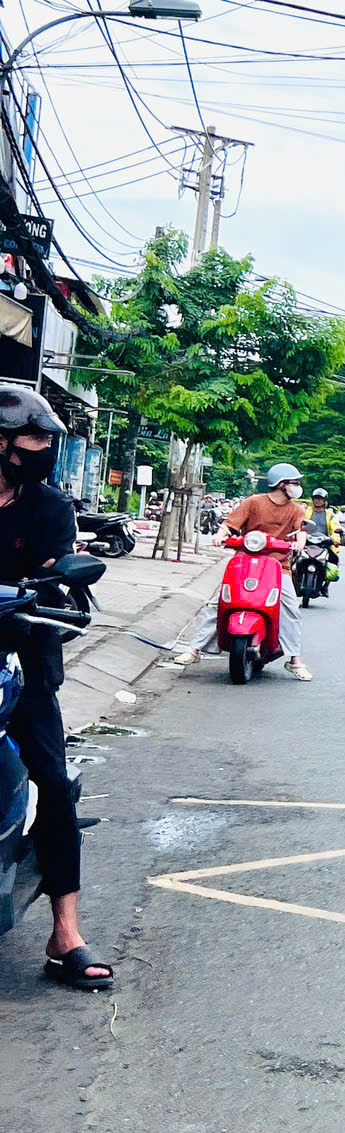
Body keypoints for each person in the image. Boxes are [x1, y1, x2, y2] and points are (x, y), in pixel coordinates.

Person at [0, 387, 111, 985]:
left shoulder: (49, 507)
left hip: (18, 663)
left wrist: (48, 589)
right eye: (35, 438)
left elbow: (58, 574)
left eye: (47, 439)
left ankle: (66, 933)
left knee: (54, 784)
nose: (44, 448)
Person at [174, 461, 312, 678]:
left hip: (278, 566)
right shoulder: (254, 502)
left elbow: (300, 530)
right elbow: (230, 524)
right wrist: (220, 536)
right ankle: (194, 649)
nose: (297, 487)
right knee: (218, 602)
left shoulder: (296, 510)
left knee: (290, 608)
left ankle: (295, 660)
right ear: (281, 484)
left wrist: (299, 542)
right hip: (245, 561)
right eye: (294, 483)